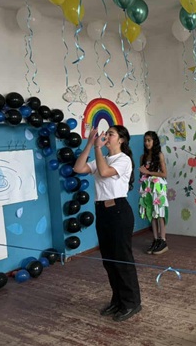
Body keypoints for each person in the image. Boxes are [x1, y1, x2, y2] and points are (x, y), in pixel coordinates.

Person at [73, 126, 142, 321]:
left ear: (121, 140)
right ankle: (118, 300)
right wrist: (89, 144)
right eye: (107, 133)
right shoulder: (101, 158)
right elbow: (78, 168)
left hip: (118, 211)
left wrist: (97, 148)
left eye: (111, 134)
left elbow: (103, 172)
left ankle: (132, 302)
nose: (106, 136)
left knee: (122, 259)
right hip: (102, 212)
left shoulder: (123, 159)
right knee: (109, 260)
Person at [139, 131, 169, 255]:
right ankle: (155, 239)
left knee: (159, 213)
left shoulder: (159, 155)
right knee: (151, 212)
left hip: (158, 187)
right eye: (145, 140)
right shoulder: (143, 157)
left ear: (154, 141)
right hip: (148, 187)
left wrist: (149, 172)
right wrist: (144, 175)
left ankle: (163, 239)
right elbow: (142, 174)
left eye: (149, 140)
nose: (147, 143)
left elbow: (164, 174)